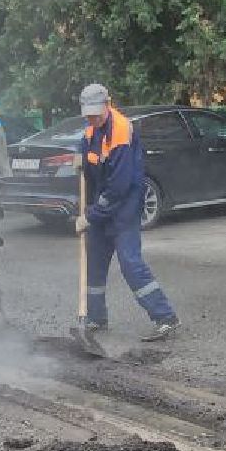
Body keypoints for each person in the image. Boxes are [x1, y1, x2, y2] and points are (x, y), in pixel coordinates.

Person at [77, 83, 179, 341]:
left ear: (107, 104)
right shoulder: (90, 132)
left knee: (131, 264)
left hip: (123, 210)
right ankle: (95, 318)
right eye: (88, 114)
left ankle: (165, 318)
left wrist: (89, 216)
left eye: (96, 113)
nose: (93, 118)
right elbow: (91, 173)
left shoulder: (121, 131)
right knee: (94, 266)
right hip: (101, 209)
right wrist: (81, 159)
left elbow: (119, 187)